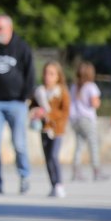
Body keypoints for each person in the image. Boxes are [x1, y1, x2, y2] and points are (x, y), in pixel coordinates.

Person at [0, 14, 35, 195]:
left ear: (9, 28)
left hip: (17, 103)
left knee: (19, 143)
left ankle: (24, 177)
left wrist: (25, 96)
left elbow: (30, 73)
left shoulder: (22, 48)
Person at [30, 61, 70, 198]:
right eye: (46, 73)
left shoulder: (62, 92)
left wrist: (48, 114)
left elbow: (65, 112)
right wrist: (35, 112)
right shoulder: (39, 92)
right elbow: (32, 105)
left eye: (52, 74)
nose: (48, 76)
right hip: (44, 129)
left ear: (58, 76)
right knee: (47, 158)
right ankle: (53, 185)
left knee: (54, 155)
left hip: (57, 130)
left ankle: (59, 184)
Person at [69, 61, 109, 182]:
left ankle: (76, 171)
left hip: (75, 119)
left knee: (79, 145)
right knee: (93, 144)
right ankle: (96, 170)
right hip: (86, 119)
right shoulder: (91, 86)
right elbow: (94, 103)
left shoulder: (74, 87)